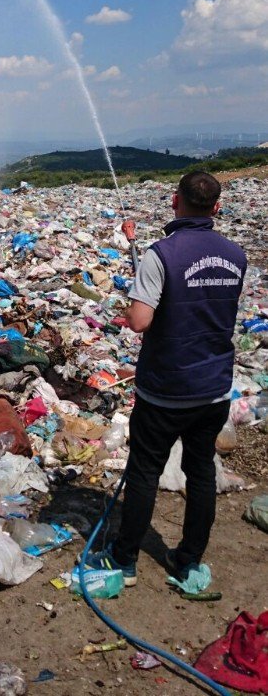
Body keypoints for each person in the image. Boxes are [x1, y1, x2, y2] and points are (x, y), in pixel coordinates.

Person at [86, 170, 247, 586]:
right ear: (217, 208)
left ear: (175, 202)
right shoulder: (236, 254)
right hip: (213, 388)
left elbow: (141, 321)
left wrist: (128, 310)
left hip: (165, 387)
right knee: (201, 472)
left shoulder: (163, 254)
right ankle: (188, 560)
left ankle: (124, 561)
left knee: (143, 473)